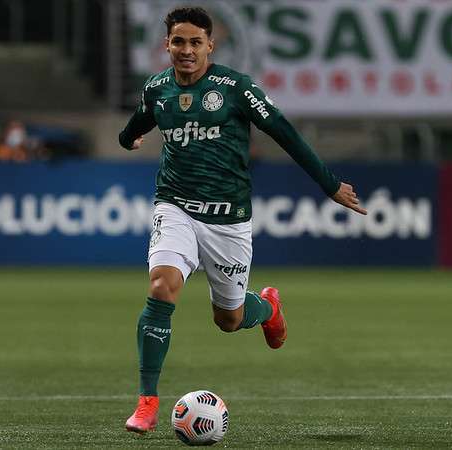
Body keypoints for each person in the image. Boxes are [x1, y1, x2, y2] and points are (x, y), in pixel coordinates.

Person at [118, 7, 367, 434]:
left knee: (228, 320)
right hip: (174, 206)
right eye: (179, 42)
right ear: (166, 46)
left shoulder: (235, 88)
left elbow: (284, 131)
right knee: (162, 286)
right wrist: (129, 138)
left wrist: (329, 185)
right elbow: (139, 121)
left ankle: (268, 306)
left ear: (210, 46)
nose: (186, 50)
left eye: (196, 42)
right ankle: (146, 402)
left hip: (228, 220)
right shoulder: (156, 88)